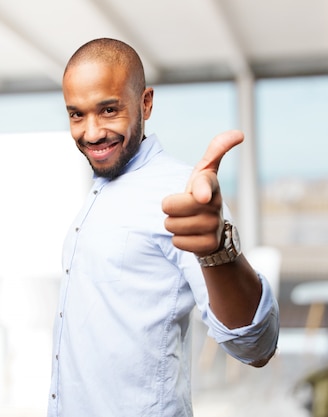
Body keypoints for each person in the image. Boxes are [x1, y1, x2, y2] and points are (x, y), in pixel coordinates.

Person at [48, 37, 279, 417]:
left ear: (146, 103)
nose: (91, 133)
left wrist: (218, 252)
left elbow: (257, 346)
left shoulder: (182, 193)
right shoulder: (99, 191)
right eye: (77, 114)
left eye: (108, 110)